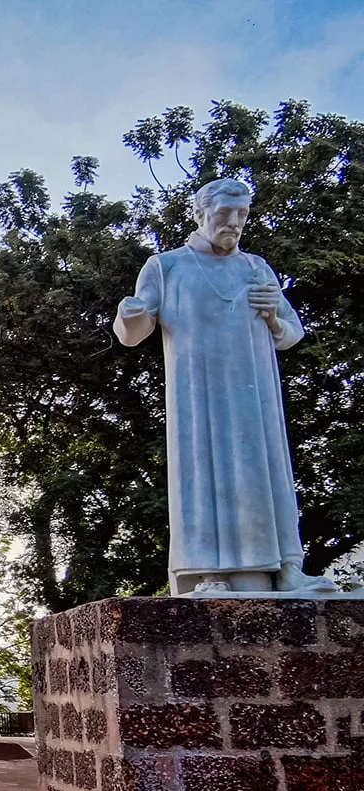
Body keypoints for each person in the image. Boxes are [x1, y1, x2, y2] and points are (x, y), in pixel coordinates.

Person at [114, 178, 335, 595]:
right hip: (198, 395)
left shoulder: (255, 267)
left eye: (242, 214)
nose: (234, 223)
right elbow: (133, 332)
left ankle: (285, 569)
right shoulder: (167, 266)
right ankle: (206, 572)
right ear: (200, 214)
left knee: (265, 472)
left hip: (254, 389)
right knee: (202, 472)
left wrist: (273, 317)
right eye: (223, 213)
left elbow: (291, 332)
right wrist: (131, 313)